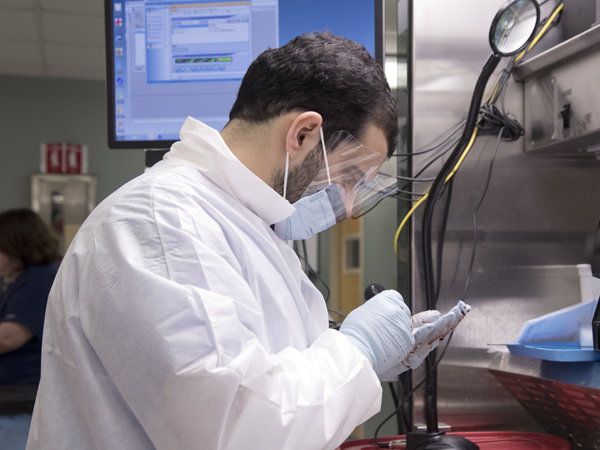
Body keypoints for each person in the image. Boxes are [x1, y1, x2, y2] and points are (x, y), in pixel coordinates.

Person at [27, 32, 469, 450]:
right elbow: (237, 428)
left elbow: (265, 372)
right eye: (350, 178)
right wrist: (356, 350)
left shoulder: (244, 224)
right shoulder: (162, 222)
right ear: (303, 134)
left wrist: (367, 363)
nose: (349, 207)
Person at [0, 209, 59, 450]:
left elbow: (8, 337)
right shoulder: (21, 281)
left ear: (17, 246)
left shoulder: (39, 279)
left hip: (21, 402)